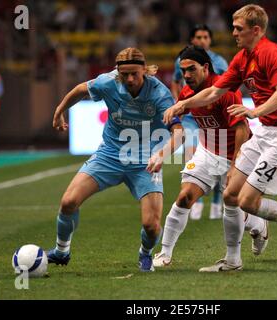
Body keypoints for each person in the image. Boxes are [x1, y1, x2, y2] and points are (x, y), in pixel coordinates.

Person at [164, 4, 277, 272]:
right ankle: (232, 260)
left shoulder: (273, 54)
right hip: (264, 132)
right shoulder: (242, 57)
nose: (233, 33)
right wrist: (183, 105)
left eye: (238, 29)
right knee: (230, 195)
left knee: (247, 201)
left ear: (256, 30)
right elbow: (214, 92)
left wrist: (254, 111)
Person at [47, 47, 184, 272]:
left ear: (146, 71)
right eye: (124, 75)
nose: (129, 79)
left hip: (145, 161)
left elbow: (178, 132)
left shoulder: (160, 94)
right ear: (117, 73)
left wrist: (162, 155)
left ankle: (146, 253)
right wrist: (60, 109)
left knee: (151, 226)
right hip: (110, 154)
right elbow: (81, 89)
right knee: (68, 202)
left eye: (135, 74)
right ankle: (62, 251)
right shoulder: (108, 82)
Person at [153, 45, 269, 268]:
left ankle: (257, 226)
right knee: (185, 196)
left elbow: (242, 130)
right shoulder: (188, 92)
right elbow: (177, 118)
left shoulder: (225, 91)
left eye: (191, 69)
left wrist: (236, 164)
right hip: (207, 152)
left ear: (205, 67)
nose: (186, 75)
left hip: (237, 153)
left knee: (236, 206)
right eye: (183, 70)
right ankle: (164, 254)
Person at [171, 24, 229, 220]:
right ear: (193, 40)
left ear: (210, 40)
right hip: (191, 116)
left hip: (215, 117)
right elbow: (176, 81)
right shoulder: (183, 61)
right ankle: (196, 202)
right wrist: (179, 103)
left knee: (218, 160)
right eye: (198, 37)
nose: (202, 40)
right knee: (191, 154)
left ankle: (215, 203)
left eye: (205, 36)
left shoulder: (220, 62)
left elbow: (227, 88)